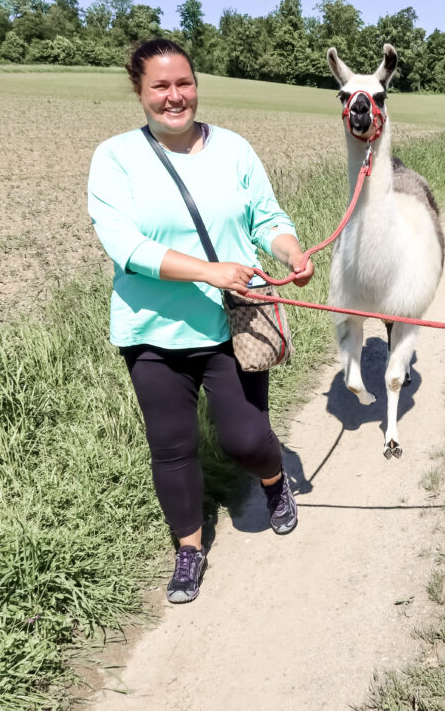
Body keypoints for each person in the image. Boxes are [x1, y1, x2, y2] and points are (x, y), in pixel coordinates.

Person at [87, 39, 314, 604]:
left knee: (244, 437)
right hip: (152, 331)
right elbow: (126, 246)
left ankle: (272, 479)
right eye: (160, 86)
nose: (174, 96)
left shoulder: (234, 149)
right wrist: (210, 271)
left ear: (196, 84)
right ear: (139, 92)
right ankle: (188, 549)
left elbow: (267, 216)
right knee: (172, 445)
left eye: (183, 83)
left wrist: (290, 252)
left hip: (231, 324)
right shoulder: (115, 157)